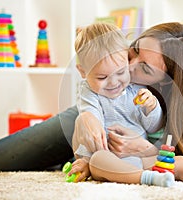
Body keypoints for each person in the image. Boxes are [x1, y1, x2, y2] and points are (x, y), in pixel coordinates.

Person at [0, 22, 183, 185]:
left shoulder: (175, 108)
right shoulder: (104, 84)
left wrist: (145, 147)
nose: (127, 66)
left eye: (144, 68)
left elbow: (173, 156)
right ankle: (68, 161)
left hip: (132, 157)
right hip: (86, 127)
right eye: (132, 51)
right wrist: (85, 121)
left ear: (167, 82)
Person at [71, 23, 174, 187]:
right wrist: (87, 160)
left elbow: (153, 127)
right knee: (98, 159)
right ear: (83, 72)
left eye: (120, 72)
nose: (114, 82)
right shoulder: (89, 91)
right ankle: (147, 178)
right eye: (102, 77)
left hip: (136, 156)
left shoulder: (138, 90)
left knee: (179, 163)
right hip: (106, 156)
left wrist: (151, 108)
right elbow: (92, 124)